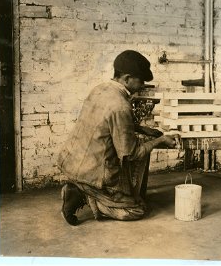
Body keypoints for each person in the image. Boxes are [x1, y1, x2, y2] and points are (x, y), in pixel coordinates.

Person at [57, 50, 178, 225]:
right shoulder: (121, 105)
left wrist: (143, 129)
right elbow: (130, 153)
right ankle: (86, 196)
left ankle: (80, 188)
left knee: (143, 143)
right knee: (136, 209)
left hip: (73, 161)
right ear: (127, 78)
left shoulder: (100, 90)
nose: (143, 85)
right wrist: (160, 140)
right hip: (95, 172)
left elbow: (107, 120)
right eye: (141, 80)